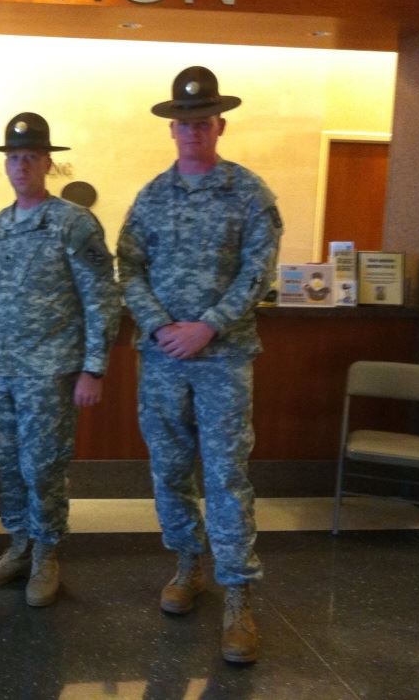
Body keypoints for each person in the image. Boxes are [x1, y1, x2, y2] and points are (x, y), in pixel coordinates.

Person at [117, 66, 283, 663]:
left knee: (226, 475)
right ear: (172, 128)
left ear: (220, 124)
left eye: (202, 121)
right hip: (162, 358)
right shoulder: (150, 197)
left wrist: (207, 325)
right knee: (168, 469)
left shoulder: (249, 193)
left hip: (223, 358)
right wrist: (162, 326)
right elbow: (128, 267)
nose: (192, 130)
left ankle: (238, 594)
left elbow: (259, 272)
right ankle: (188, 566)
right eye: (182, 122)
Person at [0, 113, 119, 607]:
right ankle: (19, 546)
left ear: (48, 161)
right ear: (4, 165)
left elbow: (102, 297)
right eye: (13, 157)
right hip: (2, 370)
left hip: (50, 373)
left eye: (30, 156)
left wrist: (93, 368)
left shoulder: (73, 222)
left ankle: (47, 553)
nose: (21, 165)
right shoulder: (0, 227)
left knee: (44, 467)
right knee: (6, 467)